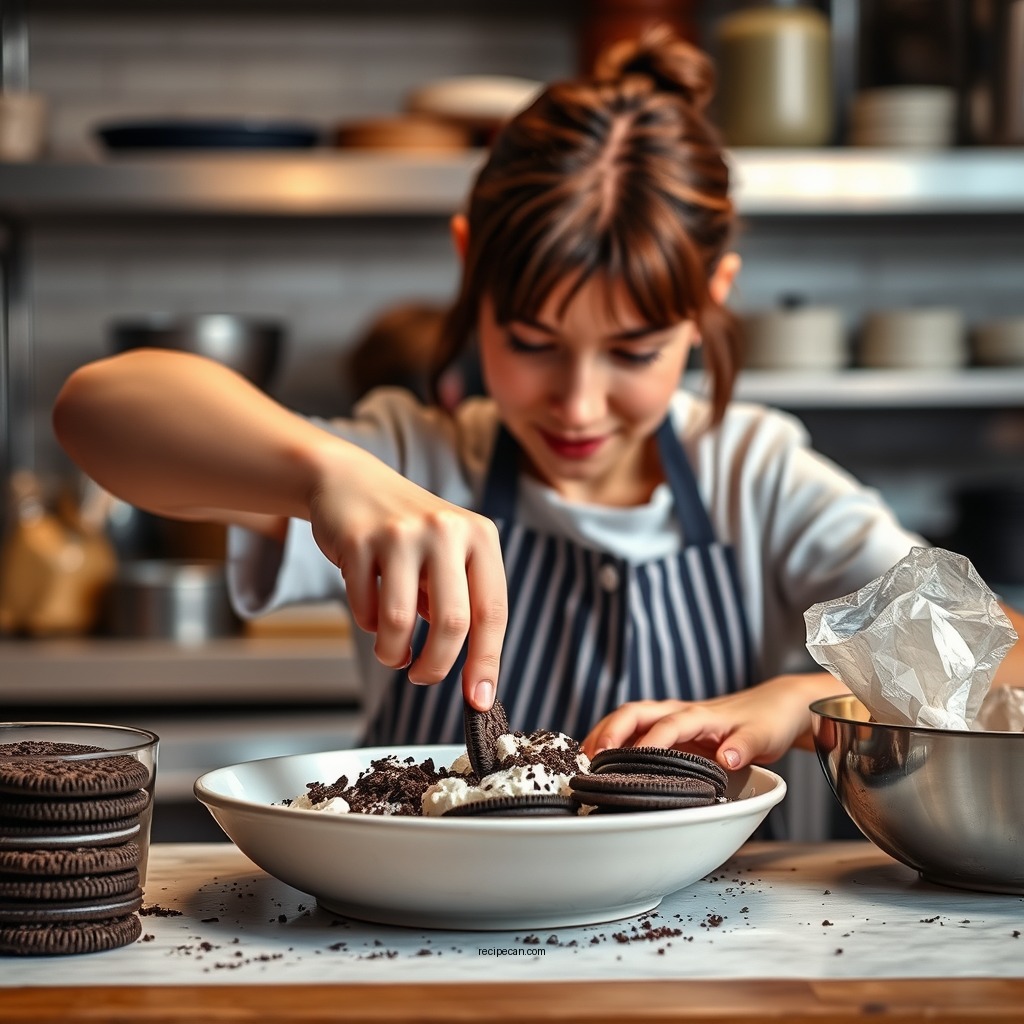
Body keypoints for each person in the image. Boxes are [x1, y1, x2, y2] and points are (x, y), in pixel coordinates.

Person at [52, 27, 1023, 772]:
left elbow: (999, 655)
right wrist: (328, 475)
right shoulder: (414, 454)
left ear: (708, 303)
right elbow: (96, 411)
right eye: (531, 343)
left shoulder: (757, 477)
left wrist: (795, 702)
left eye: (634, 351)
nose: (579, 404)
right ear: (472, 263)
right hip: (416, 947)